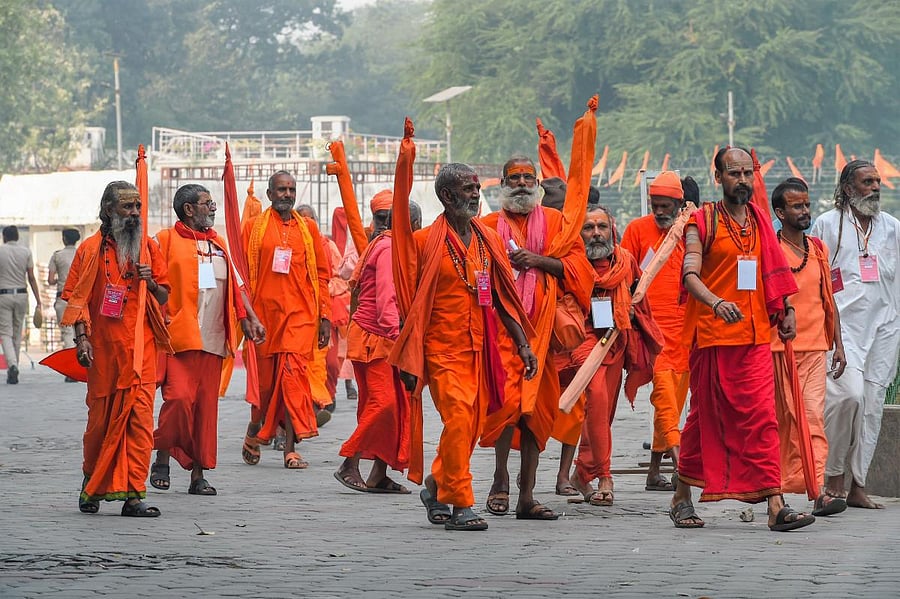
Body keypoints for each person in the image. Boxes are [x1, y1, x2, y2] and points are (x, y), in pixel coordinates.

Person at [673, 147, 815, 532]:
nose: (742, 181)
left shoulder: (758, 220)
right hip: (713, 338)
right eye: (734, 174)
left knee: (763, 417)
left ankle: (775, 504)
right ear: (718, 177)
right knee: (704, 419)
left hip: (754, 337)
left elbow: (772, 269)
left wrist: (786, 309)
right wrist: (716, 302)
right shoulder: (702, 221)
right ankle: (681, 495)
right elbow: (689, 275)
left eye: (747, 173)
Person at [391, 162, 538, 531]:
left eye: (476, 188)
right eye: (468, 189)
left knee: (469, 427)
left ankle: (436, 488)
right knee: (457, 418)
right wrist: (407, 358)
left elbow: (502, 297)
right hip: (441, 350)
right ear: (446, 196)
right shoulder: (424, 242)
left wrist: (523, 345)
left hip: (481, 349)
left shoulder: (487, 240)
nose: (475, 194)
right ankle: (461, 504)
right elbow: (409, 306)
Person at [479, 156, 593, 520]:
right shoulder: (486, 226)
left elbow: (578, 268)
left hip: (543, 335)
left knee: (536, 414)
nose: (522, 184)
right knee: (505, 408)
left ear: (538, 184)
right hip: (501, 332)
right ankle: (500, 480)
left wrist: (537, 260)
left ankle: (526, 495)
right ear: (502, 184)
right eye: (515, 178)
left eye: (529, 178)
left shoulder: (557, 223)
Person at [62, 181, 170, 516]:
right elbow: (77, 299)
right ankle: (91, 485)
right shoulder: (89, 250)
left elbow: (164, 295)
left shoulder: (147, 248)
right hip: (104, 354)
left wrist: (151, 281)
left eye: (138, 207)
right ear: (109, 210)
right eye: (127, 207)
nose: (135, 213)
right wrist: (82, 339)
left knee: (139, 422)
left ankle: (134, 495)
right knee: (99, 426)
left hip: (141, 352)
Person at [150, 184, 265, 495]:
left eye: (213, 203)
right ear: (189, 209)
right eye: (207, 203)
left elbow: (237, 288)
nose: (213, 208)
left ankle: (198, 474)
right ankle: (161, 452)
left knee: (204, 411)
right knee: (178, 400)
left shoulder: (219, 244)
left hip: (213, 341)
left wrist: (251, 318)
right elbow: (153, 285)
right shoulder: (164, 240)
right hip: (178, 339)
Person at [811, 160, 900, 510]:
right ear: (848, 189)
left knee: (872, 405)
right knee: (849, 398)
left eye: (877, 181)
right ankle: (833, 477)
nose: (876, 187)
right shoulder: (828, 224)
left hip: (885, 328)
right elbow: (815, 278)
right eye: (867, 182)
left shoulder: (891, 227)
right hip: (843, 330)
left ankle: (857, 485)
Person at [566, 206, 661, 506]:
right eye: (589, 228)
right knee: (595, 394)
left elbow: (640, 300)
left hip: (615, 339)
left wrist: (630, 312)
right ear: (580, 234)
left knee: (602, 412)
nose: (596, 233)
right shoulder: (571, 262)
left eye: (601, 227)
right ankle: (604, 475)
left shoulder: (625, 261)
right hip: (583, 337)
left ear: (611, 230)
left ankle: (581, 473)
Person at [240, 171, 331, 469]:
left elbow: (322, 275)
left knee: (293, 382)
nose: (287, 195)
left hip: (299, 317)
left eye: (291, 189)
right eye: (281, 190)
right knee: (266, 390)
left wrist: (325, 317)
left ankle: (290, 450)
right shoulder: (253, 228)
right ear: (270, 194)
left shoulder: (308, 228)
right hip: (263, 319)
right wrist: (244, 317)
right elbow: (240, 276)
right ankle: (255, 429)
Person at [769, 177, 847, 516]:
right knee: (783, 423)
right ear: (780, 212)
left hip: (816, 348)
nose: (804, 211)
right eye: (796, 206)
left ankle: (818, 492)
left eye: (806, 205)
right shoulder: (769, 250)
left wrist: (838, 344)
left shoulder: (818, 249)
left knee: (813, 417)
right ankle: (777, 494)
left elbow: (828, 298)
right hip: (777, 349)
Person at [334, 192, 422, 494]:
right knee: (383, 404)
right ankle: (349, 462)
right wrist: (399, 341)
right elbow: (386, 301)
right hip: (378, 337)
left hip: (381, 336)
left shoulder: (391, 246)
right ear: (411, 225)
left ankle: (378, 474)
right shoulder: (389, 249)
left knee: (395, 406)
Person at [620, 171, 688, 492]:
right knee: (664, 399)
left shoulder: (690, 231)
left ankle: (653, 473)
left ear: (679, 204)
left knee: (672, 400)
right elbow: (623, 272)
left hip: (684, 332)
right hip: (651, 332)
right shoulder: (637, 229)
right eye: (655, 205)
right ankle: (681, 468)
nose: (659, 212)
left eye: (665, 206)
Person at [0, 225, 42, 384]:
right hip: (22, 295)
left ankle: (12, 365)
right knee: (17, 333)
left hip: (3, 295)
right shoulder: (26, 252)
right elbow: (31, 277)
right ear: (17, 236)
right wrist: (38, 300)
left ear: (4, 237)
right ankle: (15, 366)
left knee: (5, 332)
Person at [48, 228, 81, 357]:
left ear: (64, 239)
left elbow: (50, 280)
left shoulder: (57, 255)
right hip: (79, 298)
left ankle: (71, 363)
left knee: (67, 333)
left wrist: (61, 279)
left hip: (62, 298)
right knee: (80, 332)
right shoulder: (82, 253)